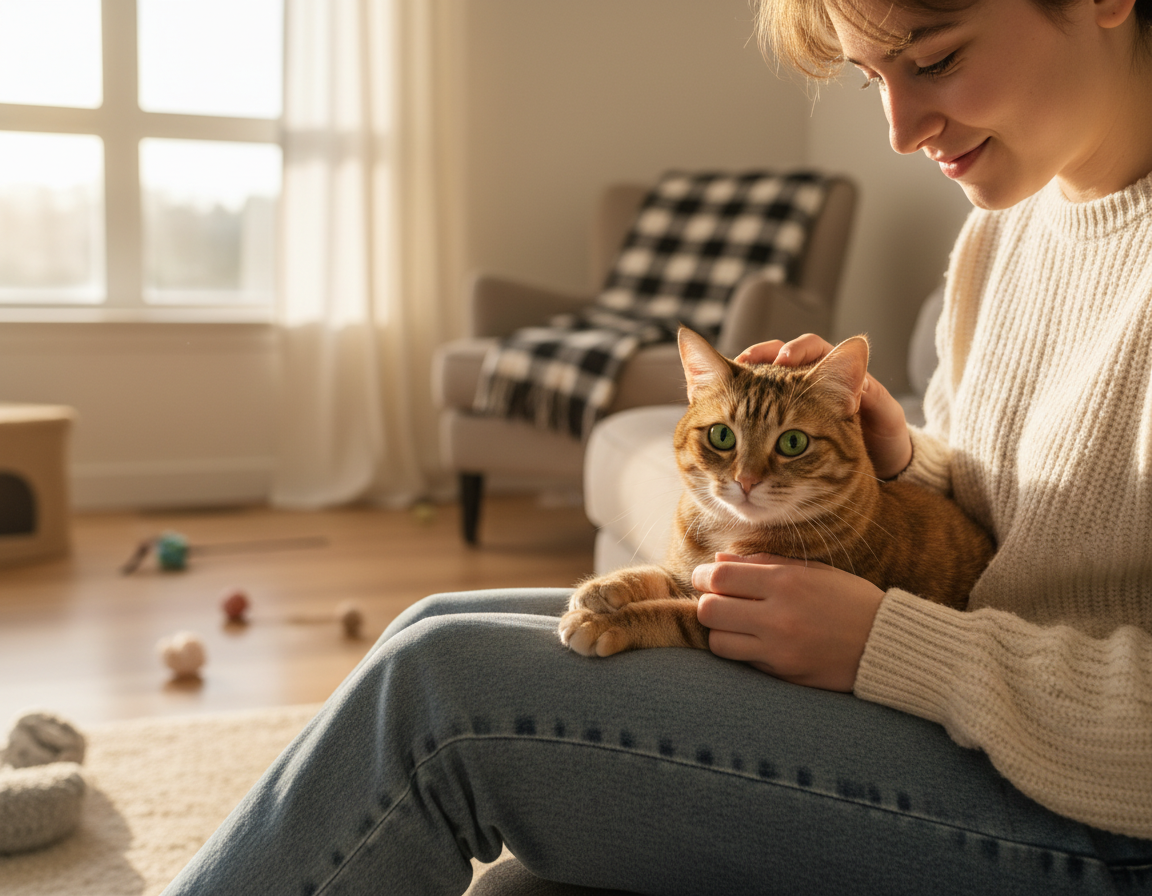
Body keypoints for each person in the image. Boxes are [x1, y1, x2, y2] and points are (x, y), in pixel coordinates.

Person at [162, 0, 1152, 893]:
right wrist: (903, 458)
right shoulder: (1008, 232)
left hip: (1100, 813)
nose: (897, 133)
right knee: (434, 624)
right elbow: (1021, 519)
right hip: (986, 715)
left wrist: (897, 647)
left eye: (933, 61)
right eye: (870, 81)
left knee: (444, 696)